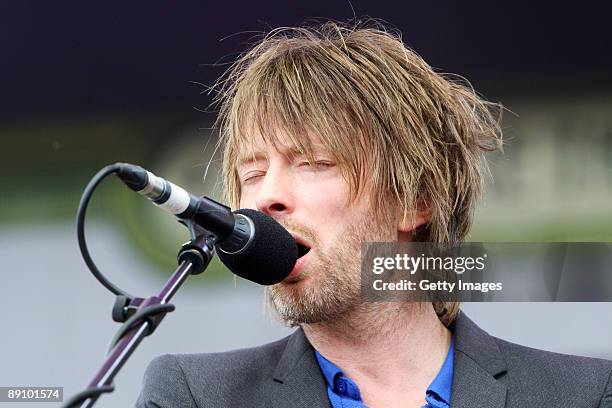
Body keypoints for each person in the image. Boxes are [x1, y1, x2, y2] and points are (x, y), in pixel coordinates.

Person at [136, 21, 612, 407]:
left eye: (314, 163)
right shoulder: (195, 396)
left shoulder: (583, 395)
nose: (267, 197)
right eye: (253, 173)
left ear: (414, 200)